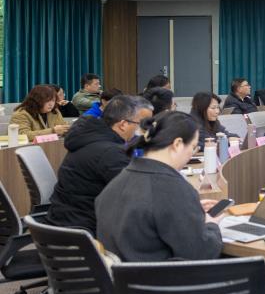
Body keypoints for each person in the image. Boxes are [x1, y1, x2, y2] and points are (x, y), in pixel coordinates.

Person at [96, 111, 224, 262]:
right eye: (194, 147)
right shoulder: (174, 188)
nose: (192, 153)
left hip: (119, 274)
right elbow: (201, 253)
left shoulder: (116, 182)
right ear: (177, 144)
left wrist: (188, 209)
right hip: (162, 275)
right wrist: (211, 225)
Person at [46, 95, 153, 235]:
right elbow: (138, 194)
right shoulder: (109, 152)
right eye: (143, 124)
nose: (145, 130)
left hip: (66, 219)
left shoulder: (92, 138)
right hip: (85, 229)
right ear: (123, 124)